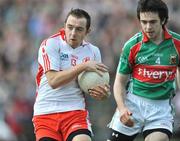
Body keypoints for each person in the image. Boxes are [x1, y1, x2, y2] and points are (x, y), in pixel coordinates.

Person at [107, 0, 180, 141]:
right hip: (132, 105)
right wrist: (122, 109)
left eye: (153, 22)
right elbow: (119, 83)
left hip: (161, 109)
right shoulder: (132, 46)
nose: (148, 27)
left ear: (163, 20)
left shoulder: (177, 44)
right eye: (144, 22)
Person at [32, 8, 110, 141]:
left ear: (87, 31)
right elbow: (53, 81)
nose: (73, 33)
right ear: (64, 26)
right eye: (70, 27)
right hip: (46, 113)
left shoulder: (93, 51)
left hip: (75, 111)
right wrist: (83, 66)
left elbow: (94, 84)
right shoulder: (50, 44)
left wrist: (103, 93)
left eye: (79, 29)